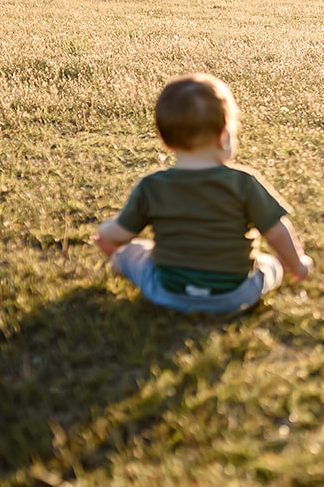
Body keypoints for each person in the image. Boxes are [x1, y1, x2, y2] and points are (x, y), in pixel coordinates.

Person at [91, 73, 311, 313]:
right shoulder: (244, 183)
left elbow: (120, 233)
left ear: (165, 140)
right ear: (223, 136)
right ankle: (280, 268)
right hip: (235, 295)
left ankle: (120, 264)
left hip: (167, 293)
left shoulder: (152, 187)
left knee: (130, 253)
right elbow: (277, 231)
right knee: (268, 264)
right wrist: (298, 265)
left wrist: (106, 235)